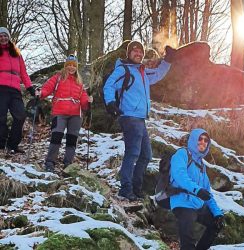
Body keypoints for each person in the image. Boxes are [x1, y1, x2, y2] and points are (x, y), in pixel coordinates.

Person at [103, 41, 175, 201]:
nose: (138, 54)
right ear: (128, 53)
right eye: (134, 51)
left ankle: (136, 188)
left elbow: (157, 74)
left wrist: (168, 60)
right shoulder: (123, 69)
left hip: (140, 118)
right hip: (129, 116)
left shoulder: (141, 71)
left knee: (146, 156)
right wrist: (110, 103)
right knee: (133, 153)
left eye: (140, 52)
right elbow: (109, 86)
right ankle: (126, 189)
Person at [36, 55, 93, 172]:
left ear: (76, 68)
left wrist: (88, 102)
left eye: (73, 65)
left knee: (72, 139)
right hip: (59, 112)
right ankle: (50, 162)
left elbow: (83, 100)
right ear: (65, 66)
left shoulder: (79, 83)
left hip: (76, 115)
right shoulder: (58, 78)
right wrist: (40, 93)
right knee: (56, 136)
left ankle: (68, 163)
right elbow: (47, 88)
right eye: (69, 65)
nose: (71, 67)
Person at [170, 128, 224, 250]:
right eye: (200, 139)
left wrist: (217, 213)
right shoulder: (182, 154)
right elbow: (180, 176)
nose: (203, 142)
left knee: (216, 224)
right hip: (182, 202)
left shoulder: (201, 165)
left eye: (206, 140)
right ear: (193, 139)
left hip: (197, 204)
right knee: (188, 242)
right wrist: (197, 190)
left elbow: (207, 193)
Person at [0, 27, 35, 153]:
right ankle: (1, 144)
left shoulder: (17, 54)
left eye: (5, 36)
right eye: (0, 36)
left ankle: (12, 144)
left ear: (9, 37)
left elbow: (24, 73)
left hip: (15, 89)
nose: (3, 38)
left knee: (20, 116)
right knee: (1, 118)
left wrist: (30, 87)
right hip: (1, 88)